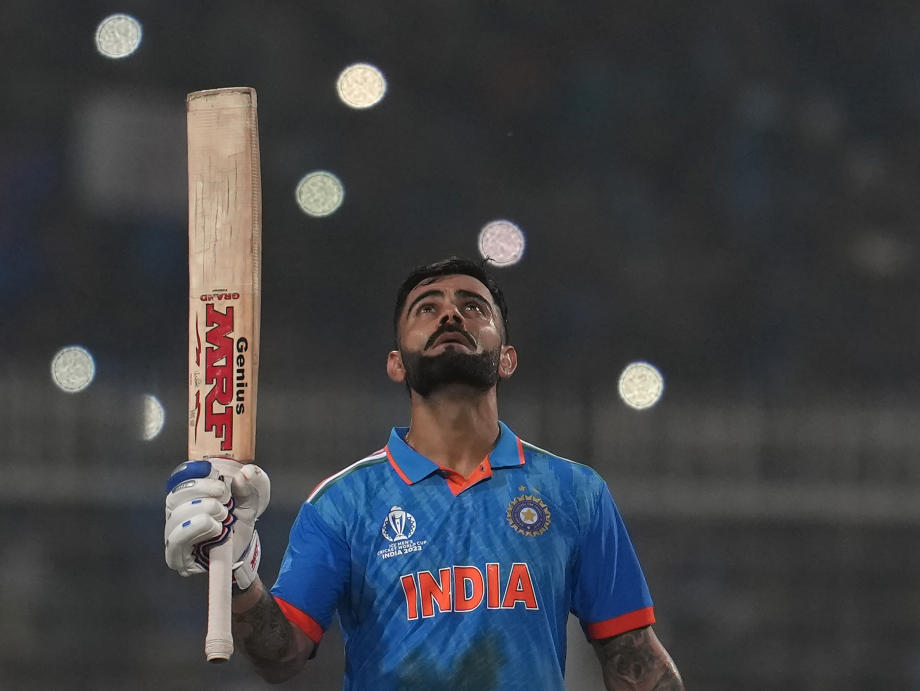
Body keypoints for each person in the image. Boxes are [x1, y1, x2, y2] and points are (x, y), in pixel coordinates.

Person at [164, 256, 683, 689]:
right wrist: (236, 575)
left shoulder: (574, 492)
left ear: (506, 359)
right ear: (396, 362)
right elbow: (283, 655)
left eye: (472, 307)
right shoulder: (343, 503)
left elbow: (634, 658)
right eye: (427, 308)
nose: (450, 315)